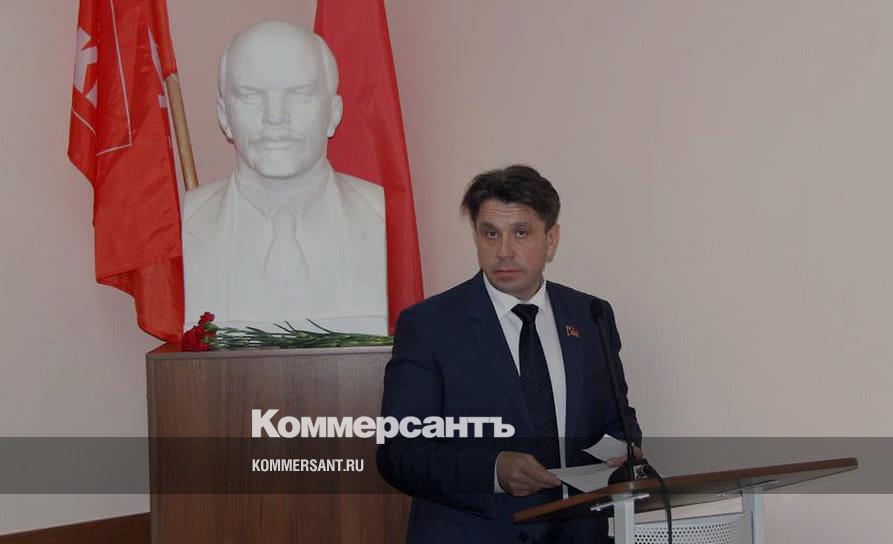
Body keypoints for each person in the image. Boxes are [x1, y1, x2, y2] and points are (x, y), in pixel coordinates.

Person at [377, 165, 642, 543]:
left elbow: (618, 423)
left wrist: (623, 453)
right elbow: (399, 453)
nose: (503, 251)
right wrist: (494, 471)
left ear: (551, 239)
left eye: (520, 233)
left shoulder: (590, 315)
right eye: (490, 234)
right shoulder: (429, 325)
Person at [182, 21, 387, 335]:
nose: (275, 116)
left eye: (300, 95)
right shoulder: (197, 218)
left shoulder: (372, 213)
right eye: (250, 96)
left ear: (333, 113)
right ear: (224, 117)